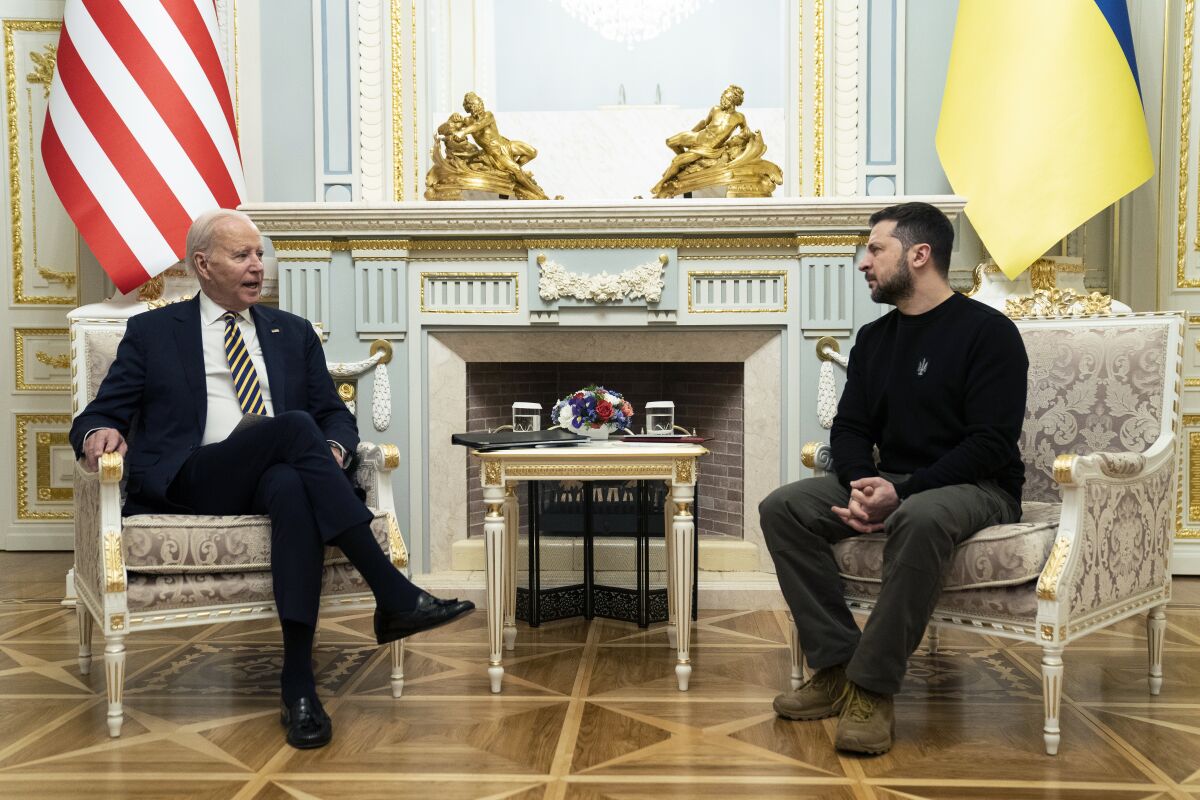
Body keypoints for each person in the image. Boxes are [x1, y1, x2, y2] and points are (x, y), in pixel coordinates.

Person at [69, 209, 474, 750]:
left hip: (272, 475)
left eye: (260, 254)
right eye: (242, 255)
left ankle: (299, 687)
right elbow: (100, 411)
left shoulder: (292, 334)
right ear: (203, 265)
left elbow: (336, 417)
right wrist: (97, 432)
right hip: (193, 475)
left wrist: (331, 449)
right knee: (294, 429)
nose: (258, 266)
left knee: (290, 481)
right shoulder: (152, 332)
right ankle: (392, 592)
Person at [760, 202, 1028, 755]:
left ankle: (872, 688)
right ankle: (835, 666)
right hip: (892, 481)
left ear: (919, 254)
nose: (864, 261)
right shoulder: (875, 339)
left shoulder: (989, 334)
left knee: (919, 514)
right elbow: (851, 428)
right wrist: (862, 483)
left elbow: (990, 444)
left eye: (875, 248)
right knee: (783, 507)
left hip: (978, 486)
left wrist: (900, 493)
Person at [651, 84, 752, 196]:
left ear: (733, 101)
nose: (723, 100)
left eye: (726, 99)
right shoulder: (715, 109)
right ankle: (686, 163)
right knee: (669, 142)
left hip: (706, 148)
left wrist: (742, 138)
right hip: (697, 136)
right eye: (722, 97)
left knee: (676, 161)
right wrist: (690, 133)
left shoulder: (739, 117)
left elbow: (745, 133)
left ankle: (661, 183)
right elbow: (704, 123)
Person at [454, 91, 547, 199]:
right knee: (516, 170)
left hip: (505, 144)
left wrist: (463, 132)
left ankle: (509, 175)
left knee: (532, 152)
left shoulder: (488, 115)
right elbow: (449, 127)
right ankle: (540, 196)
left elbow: (479, 125)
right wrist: (454, 118)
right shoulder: (467, 121)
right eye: (476, 105)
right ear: (469, 108)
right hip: (496, 152)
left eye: (480, 103)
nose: (480, 107)